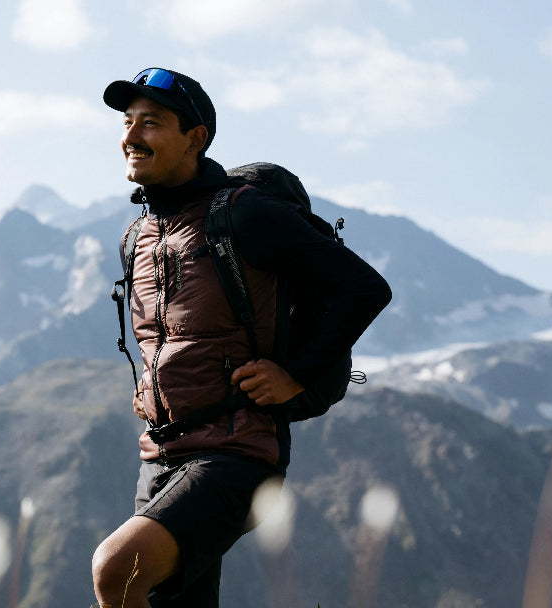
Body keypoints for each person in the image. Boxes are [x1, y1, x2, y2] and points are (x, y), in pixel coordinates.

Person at [91, 67, 392, 608]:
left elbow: (363, 287)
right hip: (159, 454)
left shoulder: (244, 214)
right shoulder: (137, 235)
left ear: (195, 138)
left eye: (151, 123)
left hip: (238, 451)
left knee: (119, 571)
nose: (131, 137)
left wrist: (295, 373)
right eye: (128, 122)